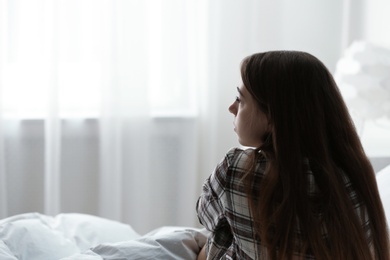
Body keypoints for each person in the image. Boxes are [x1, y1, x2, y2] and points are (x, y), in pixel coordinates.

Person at [196, 51, 390, 259]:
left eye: (240, 99)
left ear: (272, 117)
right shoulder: (354, 176)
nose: (231, 108)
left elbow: (205, 214)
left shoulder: (236, 169)